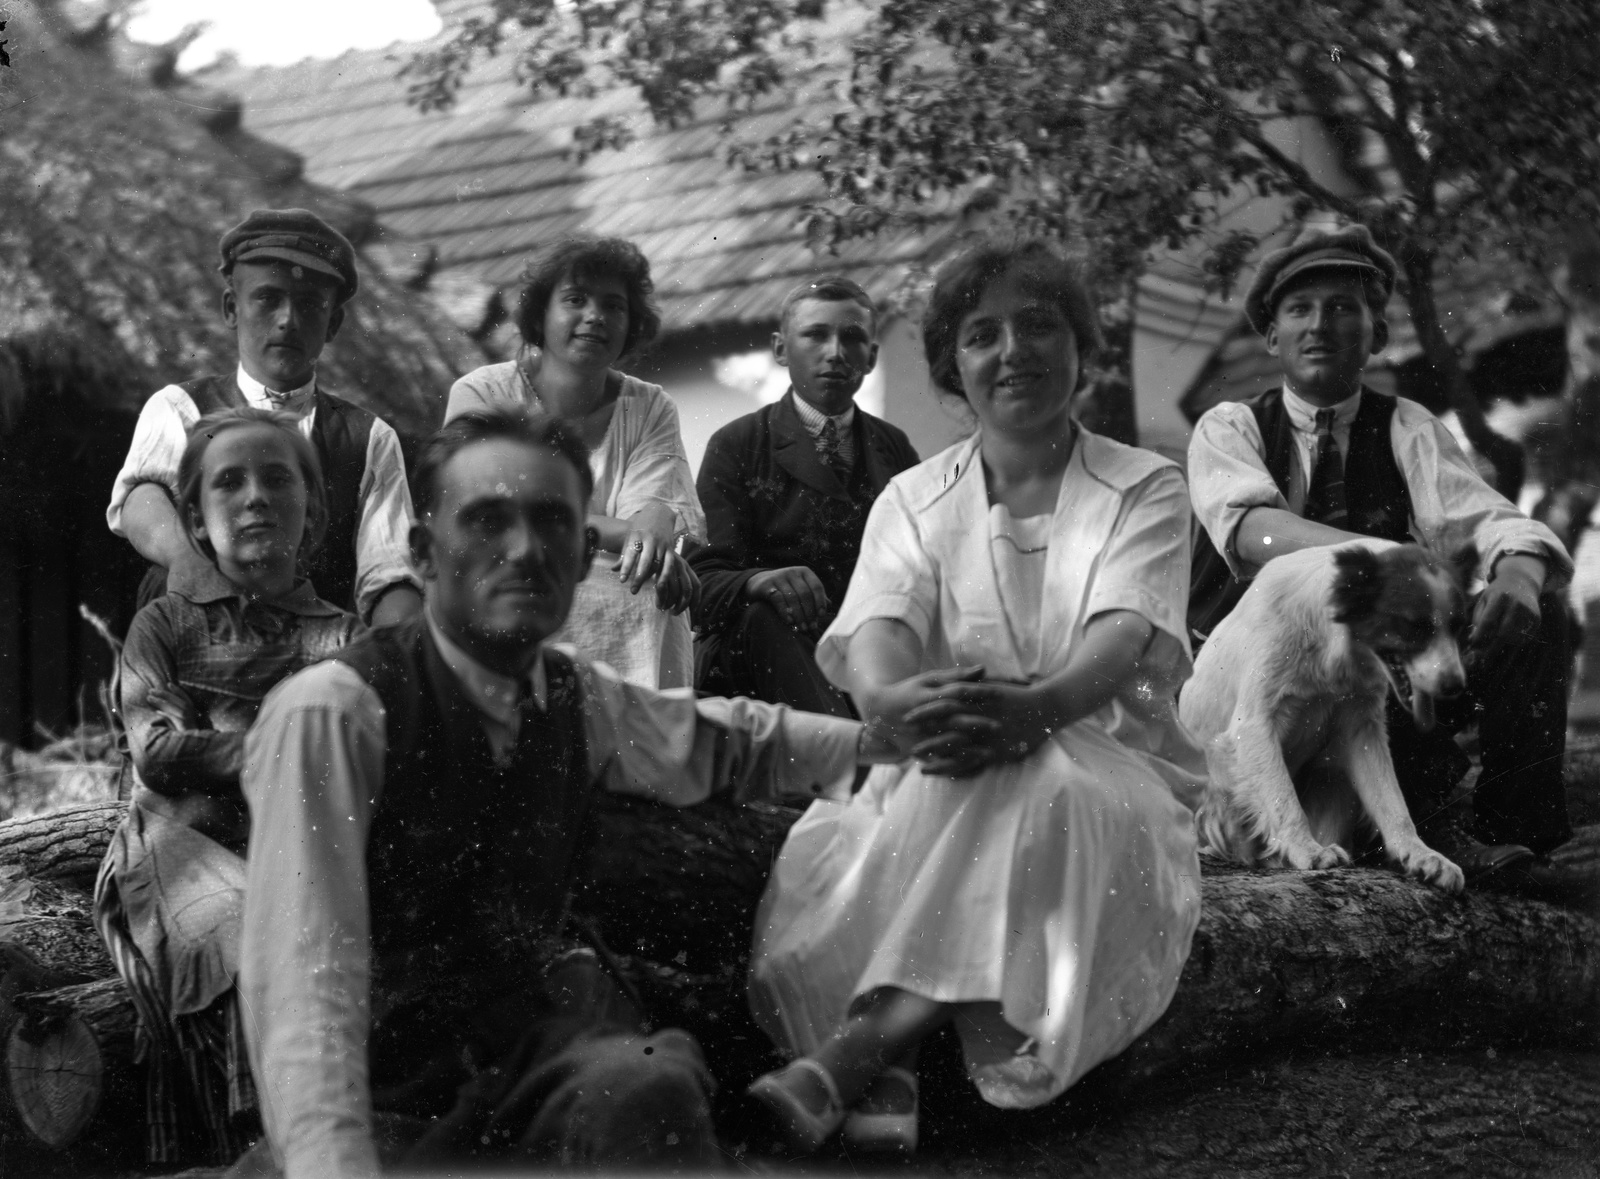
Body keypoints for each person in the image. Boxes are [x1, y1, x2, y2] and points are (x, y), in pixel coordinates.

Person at [237, 407, 898, 1178]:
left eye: (553, 522)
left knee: (649, 1081)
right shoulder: (337, 712)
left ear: (586, 553)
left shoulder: (568, 695)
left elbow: (726, 739)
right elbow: (305, 980)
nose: (524, 550)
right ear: (422, 552)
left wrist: (881, 745)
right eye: (486, 520)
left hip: (524, 1078)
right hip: (378, 1105)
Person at [745, 239, 1205, 1155]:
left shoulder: (1145, 485)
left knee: (1050, 784)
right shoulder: (914, 498)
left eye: (1038, 325)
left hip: (1109, 770)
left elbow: (1118, 640)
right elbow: (877, 633)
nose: (1013, 352)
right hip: (943, 761)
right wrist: (898, 702)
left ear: (1082, 344)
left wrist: (1033, 710)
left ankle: (863, 1051)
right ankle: (894, 1062)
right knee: (976, 783)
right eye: (982, 334)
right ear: (954, 364)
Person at [1187, 222, 1590, 893]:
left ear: (1375, 335)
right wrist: (1392, 559)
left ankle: (1509, 832)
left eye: (1344, 308)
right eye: (1300, 310)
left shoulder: (1407, 426)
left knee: (1538, 604)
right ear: (1272, 336)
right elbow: (1254, 531)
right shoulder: (1230, 427)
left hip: (1374, 679)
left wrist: (1517, 571)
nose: (1321, 326)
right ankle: (1404, 825)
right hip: (1258, 692)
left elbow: (1488, 520)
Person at [95, 408, 362, 1166]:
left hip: (297, 847)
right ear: (196, 519)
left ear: (313, 516)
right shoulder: (166, 626)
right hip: (178, 845)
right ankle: (256, 1135)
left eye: (279, 479)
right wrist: (279, 740)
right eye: (229, 482)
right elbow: (157, 751)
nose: (255, 498)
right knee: (256, 928)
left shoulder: (341, 635)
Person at [107, 208, 422, 626]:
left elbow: (389, 571)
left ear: (333, 323)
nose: (287, 321)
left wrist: (398, 654)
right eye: (268, 298)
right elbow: (139, 498)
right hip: (198, 639)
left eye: (309, 304)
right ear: (231, 308)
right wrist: (189, 563)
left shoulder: (367, 439)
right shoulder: (181, 407)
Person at [444, 236, 702, 688]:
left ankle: (646, 745)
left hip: (607, 582)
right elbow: (491, 516)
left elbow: (652, 529)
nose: (595, 316)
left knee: (653, 594)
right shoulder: (483, 393)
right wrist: (643, 529)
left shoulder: (650, 407)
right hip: (506, 571)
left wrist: (656, 526)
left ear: (631, 323)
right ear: (540, 315)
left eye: (613, 305)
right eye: (575, 300)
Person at [691, 275, 920, 715]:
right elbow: (700, 583)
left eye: (852, 338)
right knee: (761, 617)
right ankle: (852, 758)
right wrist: (756, 582)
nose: (835, 353)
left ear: (871, 357)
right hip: (763, 660)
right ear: (780, 349)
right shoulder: (738, 445)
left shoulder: (894, 449)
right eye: (815, 334)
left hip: (864, 652)